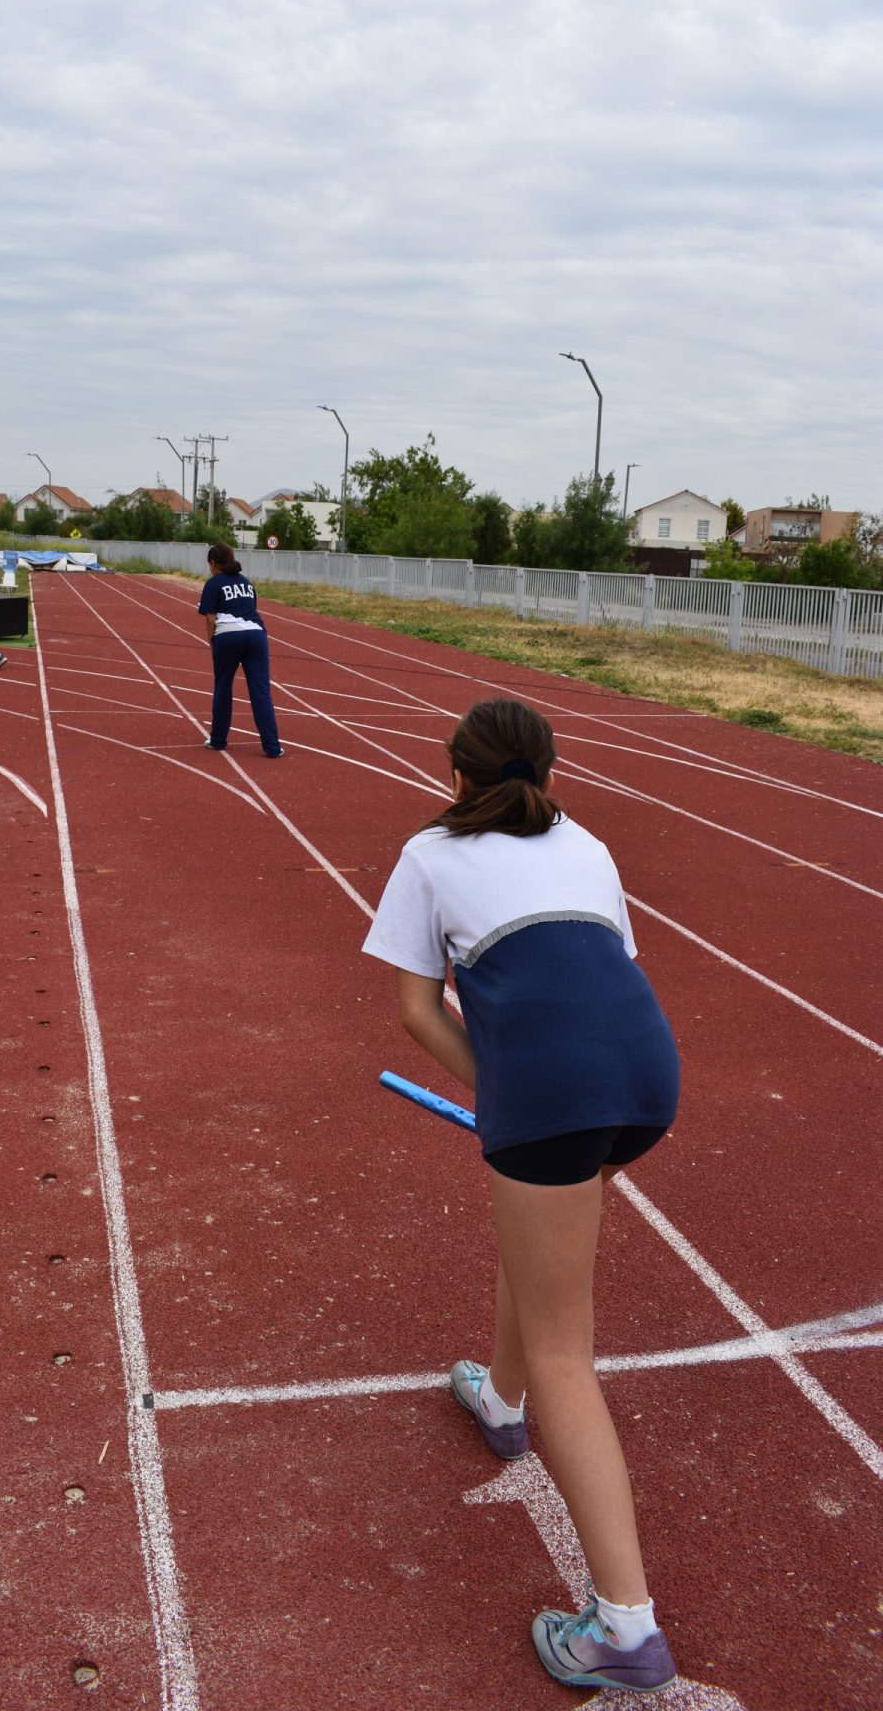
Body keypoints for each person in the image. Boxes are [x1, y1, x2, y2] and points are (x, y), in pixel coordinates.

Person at [362, 697, 680, 1695]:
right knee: (540, 1242)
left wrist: (504, 1095)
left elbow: (417, 1010)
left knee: (566, 1352)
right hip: (648, 1078)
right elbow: (603, 975)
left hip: (556, 1091)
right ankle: (499, 1402)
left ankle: (625, 1630)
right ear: (549, 771)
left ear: (455, 772)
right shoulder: (586, 842)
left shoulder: (428, 852)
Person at [196, 542, 283, 757]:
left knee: (223, 687)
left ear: (214, 563)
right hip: (256, 635)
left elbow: (210, 618)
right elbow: (251, 610)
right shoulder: (247, 583)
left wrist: (212, 643)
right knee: (261, 691)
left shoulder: (213, 584)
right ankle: (272, 747)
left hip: (227, 636)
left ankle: (217, 740)